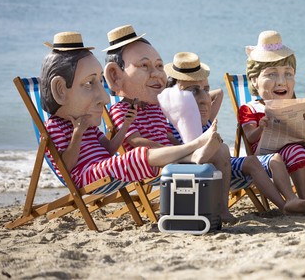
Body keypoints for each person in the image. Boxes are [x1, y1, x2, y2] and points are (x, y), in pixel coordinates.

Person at [39, 32, 222, 190]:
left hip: (105, 167)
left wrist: (125, 125)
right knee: (136, 155)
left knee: (135, 157)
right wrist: (77, 134)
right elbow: (66, 166)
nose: (105, 98)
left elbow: (110, 149)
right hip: (86, 176)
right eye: (89, 83)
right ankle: (193, 148)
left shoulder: (88, 124)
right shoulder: (54, 127)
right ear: (60, 90)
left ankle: (192, 153)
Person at [102, 25, 235, 222]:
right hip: (150, 161)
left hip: (171, 153)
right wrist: (173, 149)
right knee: (205, 151)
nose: (157, 74)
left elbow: (168, 134)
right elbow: (136, 141)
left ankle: (222, 209)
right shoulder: (120, 110)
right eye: (144, 66)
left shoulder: (155, 107)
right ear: (115, 75)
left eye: (159, 66)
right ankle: (197, 155)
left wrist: (177, 146)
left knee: (222, 150)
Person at [165, 52, 305, 214]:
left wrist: (199, 94)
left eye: (205, 89)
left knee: (262, 161)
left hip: (225, 162)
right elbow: (177, 152)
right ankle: (283, 205)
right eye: (192, 91)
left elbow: (219, 93)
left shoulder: (204, 116)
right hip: (200, 165)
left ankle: (287, 204)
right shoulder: (172, 121)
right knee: (225, 151)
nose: (203, 98)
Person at [239, 30, 305, 211]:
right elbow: (249, 138)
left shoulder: (296, 106)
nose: (281, 82)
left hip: (296, 149)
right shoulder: (251, 108)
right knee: (296, 150)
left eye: (288, 74)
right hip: (268, 155)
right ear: (254, 80)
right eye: (271, 75)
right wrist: (261, 127)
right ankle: (300, 197)